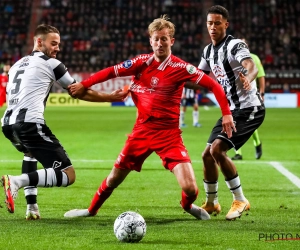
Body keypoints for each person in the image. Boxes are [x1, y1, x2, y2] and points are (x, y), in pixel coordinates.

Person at [64, 15, 236, 220]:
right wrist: (85, 84)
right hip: (141, 133)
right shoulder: (140, 62)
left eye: (164, 38)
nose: (160, 43)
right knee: (113, 179)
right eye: (156, 39)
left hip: (169, 136)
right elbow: (111, 72)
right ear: (150, 41)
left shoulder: (181, 68)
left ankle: (187, 205)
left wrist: (226, 113)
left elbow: (214, 85)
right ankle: (90, 210)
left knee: (191, 189)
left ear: (171, 41)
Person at [0, 24, 127, 220]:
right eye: (53, 43)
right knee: (68, 175)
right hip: (29, 123)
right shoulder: (52, 63)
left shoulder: (16, 65)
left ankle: (32, 208)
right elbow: (77, 91)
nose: (57, 48)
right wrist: (111, 97)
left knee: (30, 154)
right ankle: (16, 181)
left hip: (8, 124)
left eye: (58, 44)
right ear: (39, 41)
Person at [197, 5, 265, 220]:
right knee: (206, 155)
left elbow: (250, 65)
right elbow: (199, 78)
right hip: (231, 110)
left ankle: (240, 199)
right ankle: (211, 203)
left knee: (217, 150)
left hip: (249, 108)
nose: (213, 27)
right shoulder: (208, 51)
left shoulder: (235, 45)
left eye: (217, 23)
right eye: (210, 23)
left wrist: (248, 77)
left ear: (226, 24)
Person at [231, 37, 265, 160]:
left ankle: (257, 143)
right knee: (234, 123)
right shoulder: (232, 58)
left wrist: (262, 93)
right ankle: (238, 153)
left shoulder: (254, 58)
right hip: (235, 97)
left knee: (249, 124)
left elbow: (261, 76)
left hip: (251, 96)